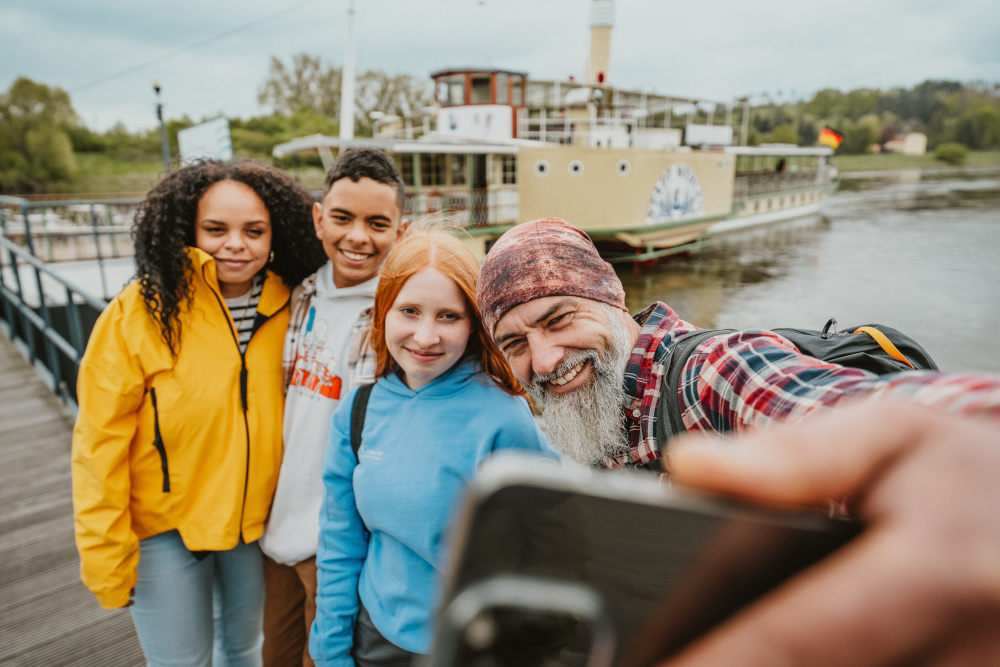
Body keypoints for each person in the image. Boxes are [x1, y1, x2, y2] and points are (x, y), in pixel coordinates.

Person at [475, 217, 1000, 470]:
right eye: (514, 343)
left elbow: (855, 413)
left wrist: (969, 443)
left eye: (560, 318)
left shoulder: (716, 372)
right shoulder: (594, 414)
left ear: (612, 299)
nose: (543, 360)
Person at [72, 159, 326, 665]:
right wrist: (106, 555)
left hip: (253, 527)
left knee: (244, 651)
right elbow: (98, 444)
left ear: (275, 234)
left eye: (254, 231)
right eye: (216, 229)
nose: (236, 244)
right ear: (186, 229)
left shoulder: (295, 305)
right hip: (165, 531)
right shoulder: (138, 313)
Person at [309, 224, 557, 667]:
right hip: (376, 635)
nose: (426, 337)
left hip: (469, 646)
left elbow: (548, 546)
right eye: (409, 311)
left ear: (474, 324)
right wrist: (330, 648)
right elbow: (341, 541)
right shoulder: (358, 411)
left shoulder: (504, 416)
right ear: (383, 310)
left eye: (449, 316)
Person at [658, 401, 1000, 666]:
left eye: (601, 303)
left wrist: (960, 466)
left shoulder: (712, 365)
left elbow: (823, 399)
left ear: (621, 309)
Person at [258, 148, 408, 667]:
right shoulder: (298, 295)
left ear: (400, 231)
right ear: (319, 219)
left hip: (337, 541)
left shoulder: (401, 320)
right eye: (342, 218)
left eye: (377, 223)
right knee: (273, 655)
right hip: (276, 526)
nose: (358, 236)